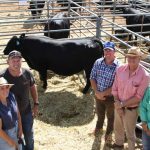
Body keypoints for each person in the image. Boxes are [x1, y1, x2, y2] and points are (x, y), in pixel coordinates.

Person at [111, 46, 149, 150]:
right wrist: (117, 103)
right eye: (129, 57)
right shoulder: (120, 69)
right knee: (117, 127)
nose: (131, 60)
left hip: (131, 109)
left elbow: (138, 97)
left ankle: (131, 148)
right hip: (118, 103)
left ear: (139, 58)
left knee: (130, 132)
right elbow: (115, 88)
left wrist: (121, 105)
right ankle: (119, 144)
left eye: (134, 57)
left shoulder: (145, 76)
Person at [0, 50, 39, 150]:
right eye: (13, 60)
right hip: (9, 116)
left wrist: (36, 104)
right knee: (14, 138)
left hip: (26, 111)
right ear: (8, 62)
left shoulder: (27, 73)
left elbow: (33, 86)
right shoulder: (2, 76)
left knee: (29, 136)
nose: (16, 63)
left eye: (18, 60)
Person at [90, 41, 120, 144]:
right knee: (100, 113)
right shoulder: (98, 62)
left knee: (111, 116)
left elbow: (117, 84)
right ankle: (98, 128)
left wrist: (102, 93)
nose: (107, 52)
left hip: (111, 97)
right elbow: (92, 77)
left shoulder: (119, 67)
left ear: (114, 52)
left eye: (110, 50)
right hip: (98, 93)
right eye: (105, 50)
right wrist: (96, 91)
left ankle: (108, 134)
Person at [0, 77, 22, 150]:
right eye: (2, 88)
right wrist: (12, 143)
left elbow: (18, 113)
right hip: (5, 136)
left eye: (7, 87)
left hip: (16, 130)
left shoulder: (11, 96)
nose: (5, 90)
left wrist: (20, 128)